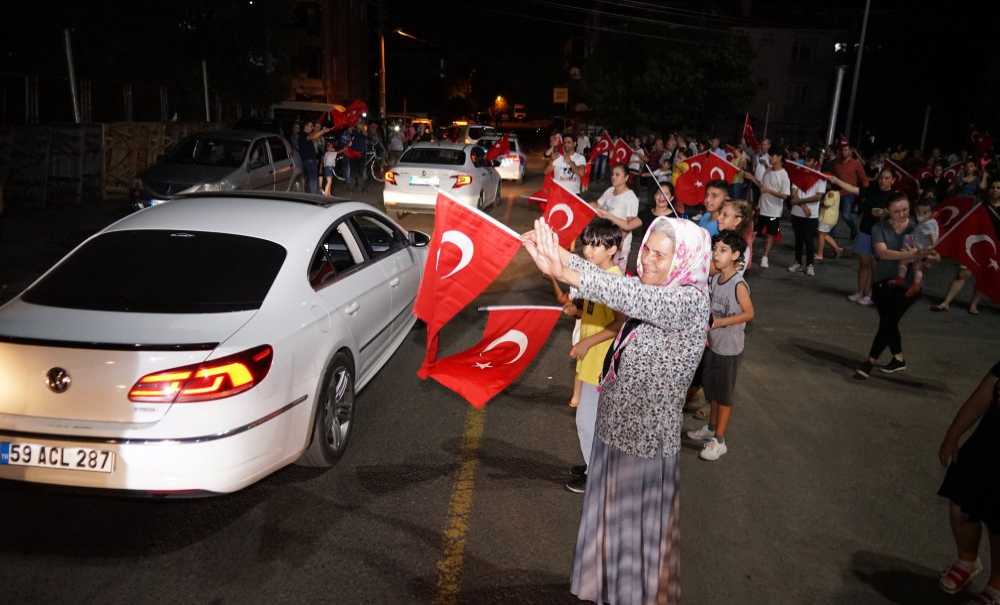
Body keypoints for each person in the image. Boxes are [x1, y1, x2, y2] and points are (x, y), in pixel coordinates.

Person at [522, 213, 711, 605]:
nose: (648, 260)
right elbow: (612, 281)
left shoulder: (689, 300)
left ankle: (629, 595)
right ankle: (605, 590)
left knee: (631, 538)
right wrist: (554, 252)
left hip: (643, 443)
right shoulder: (653, 286)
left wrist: (566, 272)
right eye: (647, 250)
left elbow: (626, 295)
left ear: (684, 260)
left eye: (660, 255)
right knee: (610, 528)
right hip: (613, 431)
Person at [565, 220, 625, 494]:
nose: (588, 250)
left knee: (586, 420)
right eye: (586, 244)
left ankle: (596, 476)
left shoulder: (613, 281)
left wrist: (587, 342)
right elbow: (593, 312)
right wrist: (575, 311)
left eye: (596, 245)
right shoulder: (595, 273)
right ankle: (593, 465)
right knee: (591, 419)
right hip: (591, 359)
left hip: (602, 360)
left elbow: (620, 323)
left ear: (612, 249)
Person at [687, 230, 754, 461]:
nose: (716, 254)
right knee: (713, 391)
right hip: (714, 345)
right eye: (715, 249)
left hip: (729, 350)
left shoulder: (738, 285)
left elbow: (749, 313)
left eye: (723, 250)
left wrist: (720, 322)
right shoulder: (715, 279)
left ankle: (720, 440)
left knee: (724, 397)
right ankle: (711, 428)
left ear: (735, 255)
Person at [855, 193, 938, 379]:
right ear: (888, 211)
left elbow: (930, 259)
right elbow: (882, 253)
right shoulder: (879, 228)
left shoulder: (918, 228)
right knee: (889, 322)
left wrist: (931, 258)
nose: (902, 214)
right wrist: (910, 255)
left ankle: (869, 361)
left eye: (905, 210)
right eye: (896, 211)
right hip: (882, 282)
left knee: (889, 321)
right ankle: (898, 359)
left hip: (908, 285)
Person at [937, 362, 1000, 602]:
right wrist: (953, 435)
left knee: (998, 524)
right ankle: (967, 560)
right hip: (986, 446)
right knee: (960, 505)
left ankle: (997, 586)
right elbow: (981, 398)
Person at [931, 178, 1000, 314]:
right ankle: (946, 302)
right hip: (975, 242)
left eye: (998, 188)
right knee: (963, 273)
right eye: (993, 187)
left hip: (994, 247)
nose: (995, 190)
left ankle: (973, 305)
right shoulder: (981, 204)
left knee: (984, 276)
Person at [848, 169, 897, 306]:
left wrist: (886, 213)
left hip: (881, 235)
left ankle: (870, 294)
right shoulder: (872, 190)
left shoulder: (895, 197)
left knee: (875, 266)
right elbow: (856, 193)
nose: (883, 181)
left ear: (893, 180)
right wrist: (836, 180)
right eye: (881, 178)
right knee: (864, 263)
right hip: (866, 229)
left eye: (887, 178)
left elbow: (900, 215)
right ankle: (860, 291)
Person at [745, 150, 790, 269]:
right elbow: (762, 187)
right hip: (762, 208)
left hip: (774, 211)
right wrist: (752, 178)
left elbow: (785, 195)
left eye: (773, 155)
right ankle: (746, 254)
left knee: (770, 234)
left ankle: (765, 257)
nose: (770, 157)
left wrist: (769, 191)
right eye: (770, 155)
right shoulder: (768, 170)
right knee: (754, 232)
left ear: (779, 157)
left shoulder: (784, 175)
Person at [593, 164, 641, 272]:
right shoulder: (610, 191)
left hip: (619, 243)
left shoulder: (631, 198)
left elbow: (630, 224)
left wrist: (619, 242)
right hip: (605, 238)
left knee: (616, 272)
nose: (613, 177)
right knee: (603, 270)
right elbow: (598, 204)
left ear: (626, 178)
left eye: (617, 174)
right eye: (612, 174)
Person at [787, 151, 827, 276]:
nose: (806, 162)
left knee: (809, 241)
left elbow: (818, 197)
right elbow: (794, 193)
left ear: (815, 162)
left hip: (811, 215)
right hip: (797, 213)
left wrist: (799, 202)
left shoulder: (820, 177)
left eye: (809, 160)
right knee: (798, 240)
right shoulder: (799, 174)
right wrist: (803, 206)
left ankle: (810, 265)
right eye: (806, 159)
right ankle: (798, 262)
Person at [896, 198, 939, 297]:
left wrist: (931, 250)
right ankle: (915, 285)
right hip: (920, 247)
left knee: (904, 261)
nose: (920, 215)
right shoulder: (931, 222)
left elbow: (933, 239)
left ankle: (900, 279)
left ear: (933, 213)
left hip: (918, 249)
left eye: (925, 213)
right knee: (917, 268)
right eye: (918, 212)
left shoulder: (928, 225)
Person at [830, 143, 870, 239]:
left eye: (846, 150)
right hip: (837, 193)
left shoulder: (855, 163)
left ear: (850, 151)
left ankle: (854, 229)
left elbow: (864, 179)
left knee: (846, 215)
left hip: (849, 193)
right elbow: (831, 175)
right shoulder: (835, 163)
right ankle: (830, 235)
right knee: (833, 214)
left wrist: (866, 193)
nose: (843, 152)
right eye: (842, 150)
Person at [298, 121, 329, 194]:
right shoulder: (303, 135)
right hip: (309, 161)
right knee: (313, 180)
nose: (312, 128)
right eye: (311, 126)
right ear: (306, 126)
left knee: (310, 180)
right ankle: (313, 196)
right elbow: (313, 137)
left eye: (312, 126)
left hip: (309, 161)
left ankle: (310, 196)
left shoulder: (306, 135)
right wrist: (323, 131)